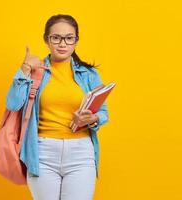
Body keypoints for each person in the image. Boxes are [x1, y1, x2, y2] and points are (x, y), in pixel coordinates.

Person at [6, 14, 109, 200]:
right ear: (46, 39)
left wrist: (92, 119)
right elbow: (13, 103)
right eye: (56, 38)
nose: (63, 44)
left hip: (81, 153)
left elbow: (103, 113)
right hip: (42, 153)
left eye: (69, 38)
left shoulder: (89, 74)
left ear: (76, 41)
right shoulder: (35, 70)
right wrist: (24, 70)